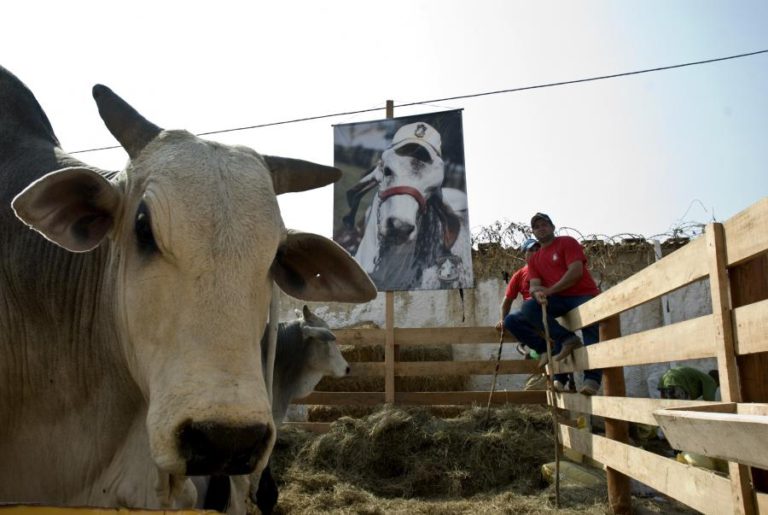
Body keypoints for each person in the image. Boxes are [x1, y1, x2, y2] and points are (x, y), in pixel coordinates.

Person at [504, 212, 602, 395]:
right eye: (537, 226)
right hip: (558, 299)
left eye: (544, 224)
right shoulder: (534, 259)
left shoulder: (567, 242)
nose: (541, 228)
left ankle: (592, 380)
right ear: (533, 232)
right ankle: (566, 339)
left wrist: (548, 291)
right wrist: (537, 294)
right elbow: (534, 285)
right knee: (529, 307)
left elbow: (576, 272)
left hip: (582, 294)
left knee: (590, 327)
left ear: (552, 227)